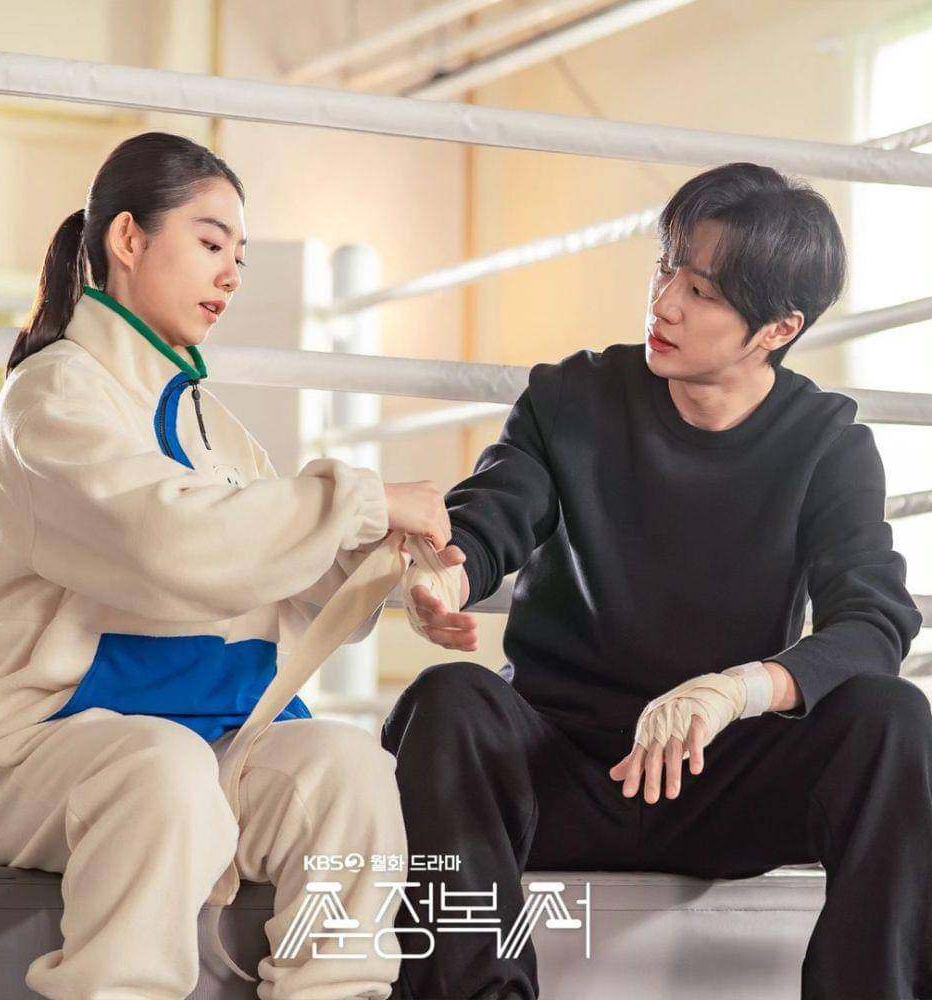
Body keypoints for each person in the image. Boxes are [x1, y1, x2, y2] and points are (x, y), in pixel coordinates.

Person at [385, 162, 931, 1000]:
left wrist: (738, 690)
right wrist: (447, 578)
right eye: (665, 269)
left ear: (778, 329)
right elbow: (494, 514)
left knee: (892, 717)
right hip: (563, 770)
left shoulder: (827, 442)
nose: (665, 304)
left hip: (721, 779)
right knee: (448, 698)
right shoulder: (571, 398)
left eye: (702, 291)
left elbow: (873, 624)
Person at [0, 131, 451, 1000]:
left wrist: (381, 558)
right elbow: (166, 545)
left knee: (350, 769)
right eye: (212, 244)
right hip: (43, 752)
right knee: (163, 768)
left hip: (212, 746)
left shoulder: (213, 426)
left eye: (240, 257)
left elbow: (272, 572)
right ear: (128, 238)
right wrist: (362, 500)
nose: (231, 276)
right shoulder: (54, 394)